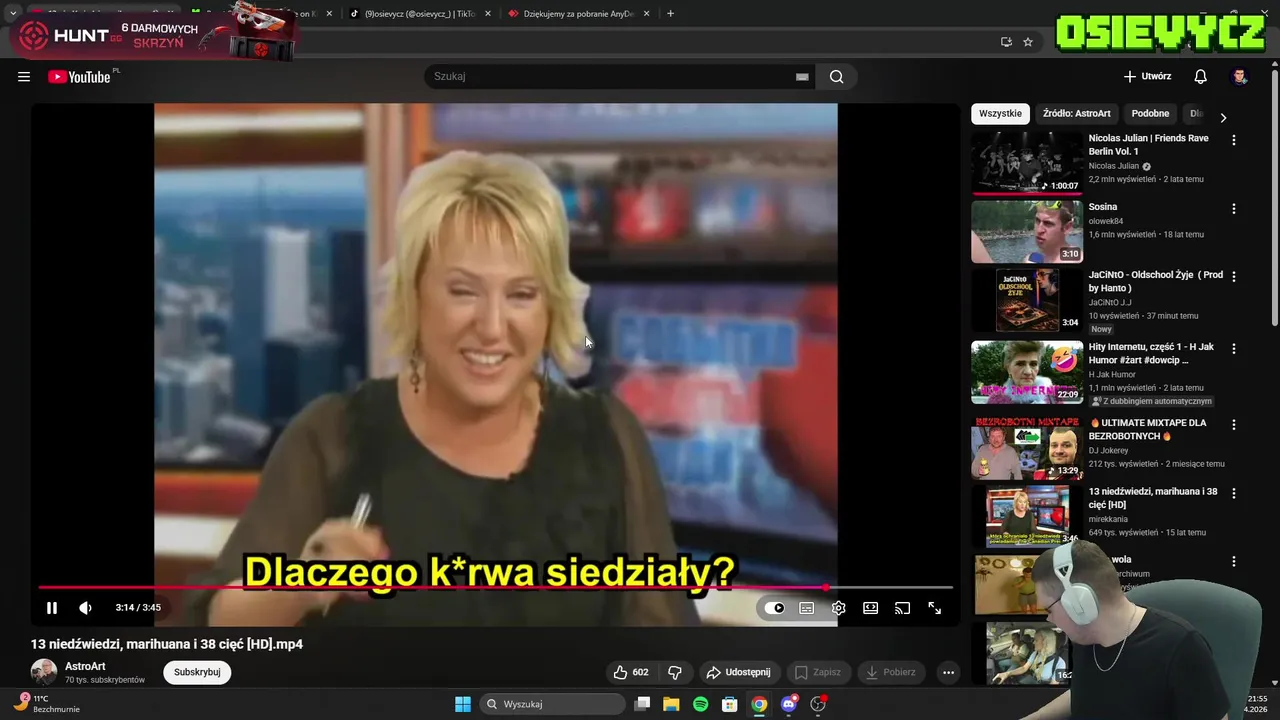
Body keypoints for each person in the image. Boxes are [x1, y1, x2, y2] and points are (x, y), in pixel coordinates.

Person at [187, 151, 697, 628]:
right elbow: (216, 624)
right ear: (415, 296)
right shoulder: (333, 436)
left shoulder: (607, 437)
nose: (492, 327)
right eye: (463, 291)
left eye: (521, 294)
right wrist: (301, 586)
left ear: (550, 309)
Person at [1019, 540, 1229, 720]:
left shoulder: (1181, 647)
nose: (1049, 619)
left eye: (1049, 609)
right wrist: (1036, 717)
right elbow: (1087, 693)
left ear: (1078, 603)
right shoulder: (1086, 638)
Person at [985, 341, 1063, 405]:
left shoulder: (1053, 397)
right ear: (1008, 368)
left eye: (1033, 364)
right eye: (1020, 364)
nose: (1028, 372)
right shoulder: (995, 400)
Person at [994, 628, 1066, 685]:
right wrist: (1007, 673)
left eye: (1036, 640)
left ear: (1045, 642)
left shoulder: (1061, 663)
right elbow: (1024, 668)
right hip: (1031, 679)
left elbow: (1054, 685)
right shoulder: (1035, 654)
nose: (1033, 642)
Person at [1022, 200, 1079, 264]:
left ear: (1067, 228)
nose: (1039, 230)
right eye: (1037, 221)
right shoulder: (1032, 259)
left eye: (1048, 223)